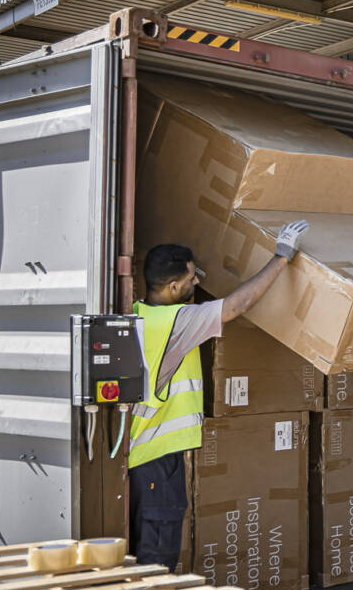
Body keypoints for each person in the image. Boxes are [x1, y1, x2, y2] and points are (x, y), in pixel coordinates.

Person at [127, 220, 308, 569]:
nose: (199, 281)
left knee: (151, 550)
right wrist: (281, 256)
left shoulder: (143, 314)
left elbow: (185, 292)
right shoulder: (177, 323)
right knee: (157, 556)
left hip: (146, 460)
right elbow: (236, 306)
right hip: (157, 459)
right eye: (193, 277)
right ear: (173, 285)